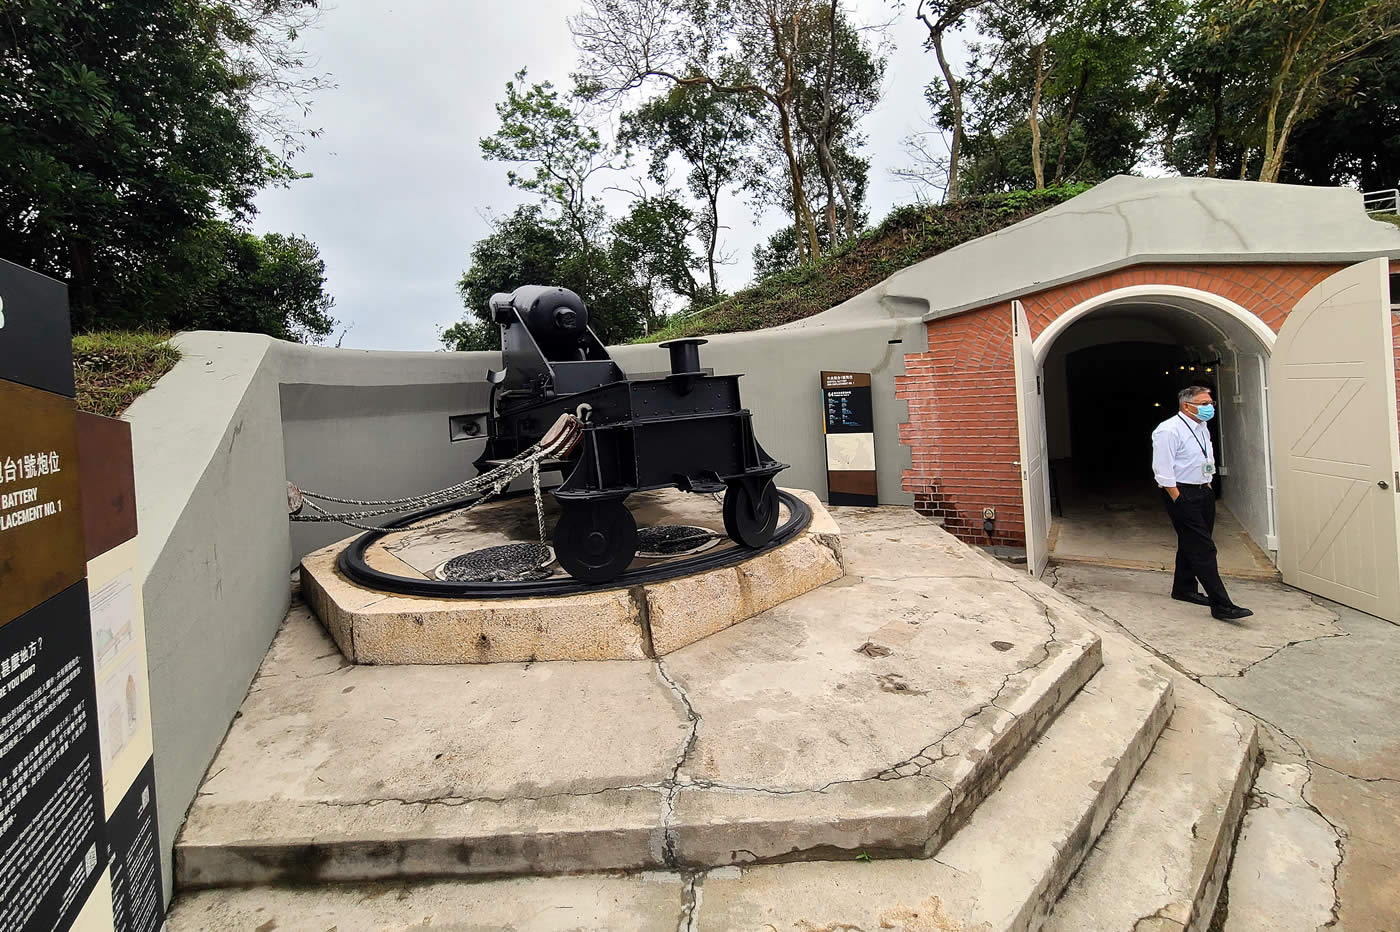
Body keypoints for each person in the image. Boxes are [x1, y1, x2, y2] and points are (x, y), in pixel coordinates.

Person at [1151, 386, 1253, 621]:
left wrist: (1207, 485)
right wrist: (1177, 496)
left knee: (1191, 542)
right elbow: (1162, 469)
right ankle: (1222, 604)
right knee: (1204, 548)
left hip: (1203, 491)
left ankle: (1184, 588)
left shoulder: (1201, 427)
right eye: (1204, 403)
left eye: (1211, 403)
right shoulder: (1168, 430)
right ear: (1187, 406)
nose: (1209, 407)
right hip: (1182, 493)